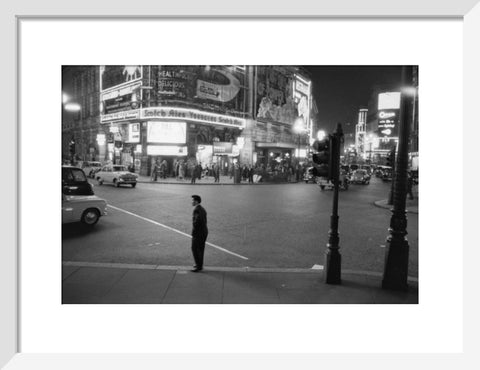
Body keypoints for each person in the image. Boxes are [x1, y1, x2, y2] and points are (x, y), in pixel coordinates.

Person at [190, 195, 208, 272]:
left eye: (193, 200)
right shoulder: (202, 209)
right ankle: (199, 264)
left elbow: (196, 223)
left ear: (196, 201)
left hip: (198, 233)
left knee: (195, 249)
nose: (192, 202)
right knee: (200, 249)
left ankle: (198, 266)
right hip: (204, 232)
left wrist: (194, 232)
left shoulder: (196, 210)